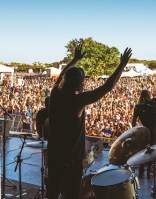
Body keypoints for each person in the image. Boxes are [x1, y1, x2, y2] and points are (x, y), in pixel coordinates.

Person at [47, 42, 132, 199]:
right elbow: (107, 87)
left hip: (53, 153)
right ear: (79, 83)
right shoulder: (77, 101)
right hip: (70, 159)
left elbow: (60, 75)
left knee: (52, 192)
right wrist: (122, 65)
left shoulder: (55, 94)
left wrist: (74, 60)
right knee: (71, 194)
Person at [132, 80, 156, 177]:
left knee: (143, 151)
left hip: (144, 132)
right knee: (152, 151)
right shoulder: (153, 103)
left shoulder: (137, 107)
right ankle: (150, 171)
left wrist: (134, 131)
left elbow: (133, 121)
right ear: (149, 97)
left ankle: (141, 170)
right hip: (154, 132)